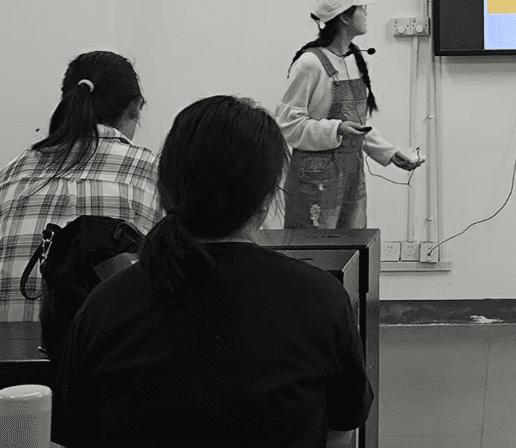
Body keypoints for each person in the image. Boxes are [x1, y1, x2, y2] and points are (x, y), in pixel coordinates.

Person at [52, 95, 373, 447]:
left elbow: (76, 432)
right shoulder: (321, 299)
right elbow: (342, 427)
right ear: (267, 198)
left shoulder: (104, 307)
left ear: (165, 189)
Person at [0, 51, 162, 322]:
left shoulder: (10, 175)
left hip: (10, 345)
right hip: (107, 347)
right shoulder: (157, 175)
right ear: (135, 108)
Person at [276, 0, 424, 230]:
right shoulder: (310, 64)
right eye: (361, 8)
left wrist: (389, 153)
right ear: (344, 17)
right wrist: (337, 129)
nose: (366, 13)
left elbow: (357, 125)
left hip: (350, 173)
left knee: (350, 245)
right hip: (315, 177)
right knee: (314, 246)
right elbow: (288, 124)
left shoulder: (354, 60)